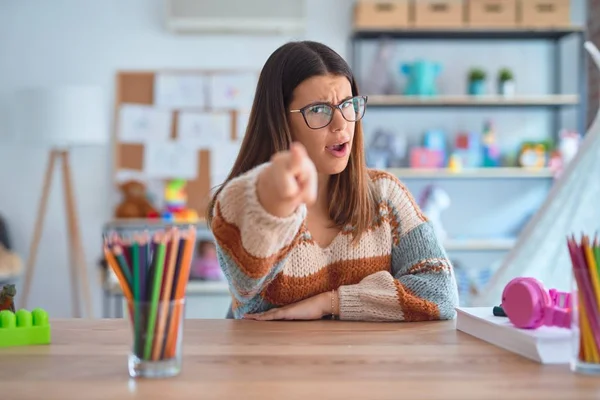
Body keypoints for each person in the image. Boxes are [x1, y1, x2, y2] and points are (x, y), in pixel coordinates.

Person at [206, 40, 459, 321]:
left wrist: (332, 302)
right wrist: (271, 197)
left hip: (361, 363)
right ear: (280, 119)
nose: (340, 124)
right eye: (318, 109)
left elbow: (441, 294)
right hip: (272, 362)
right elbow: (246, 280)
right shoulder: (244, 206)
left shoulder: (384, 194)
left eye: (348, 105)